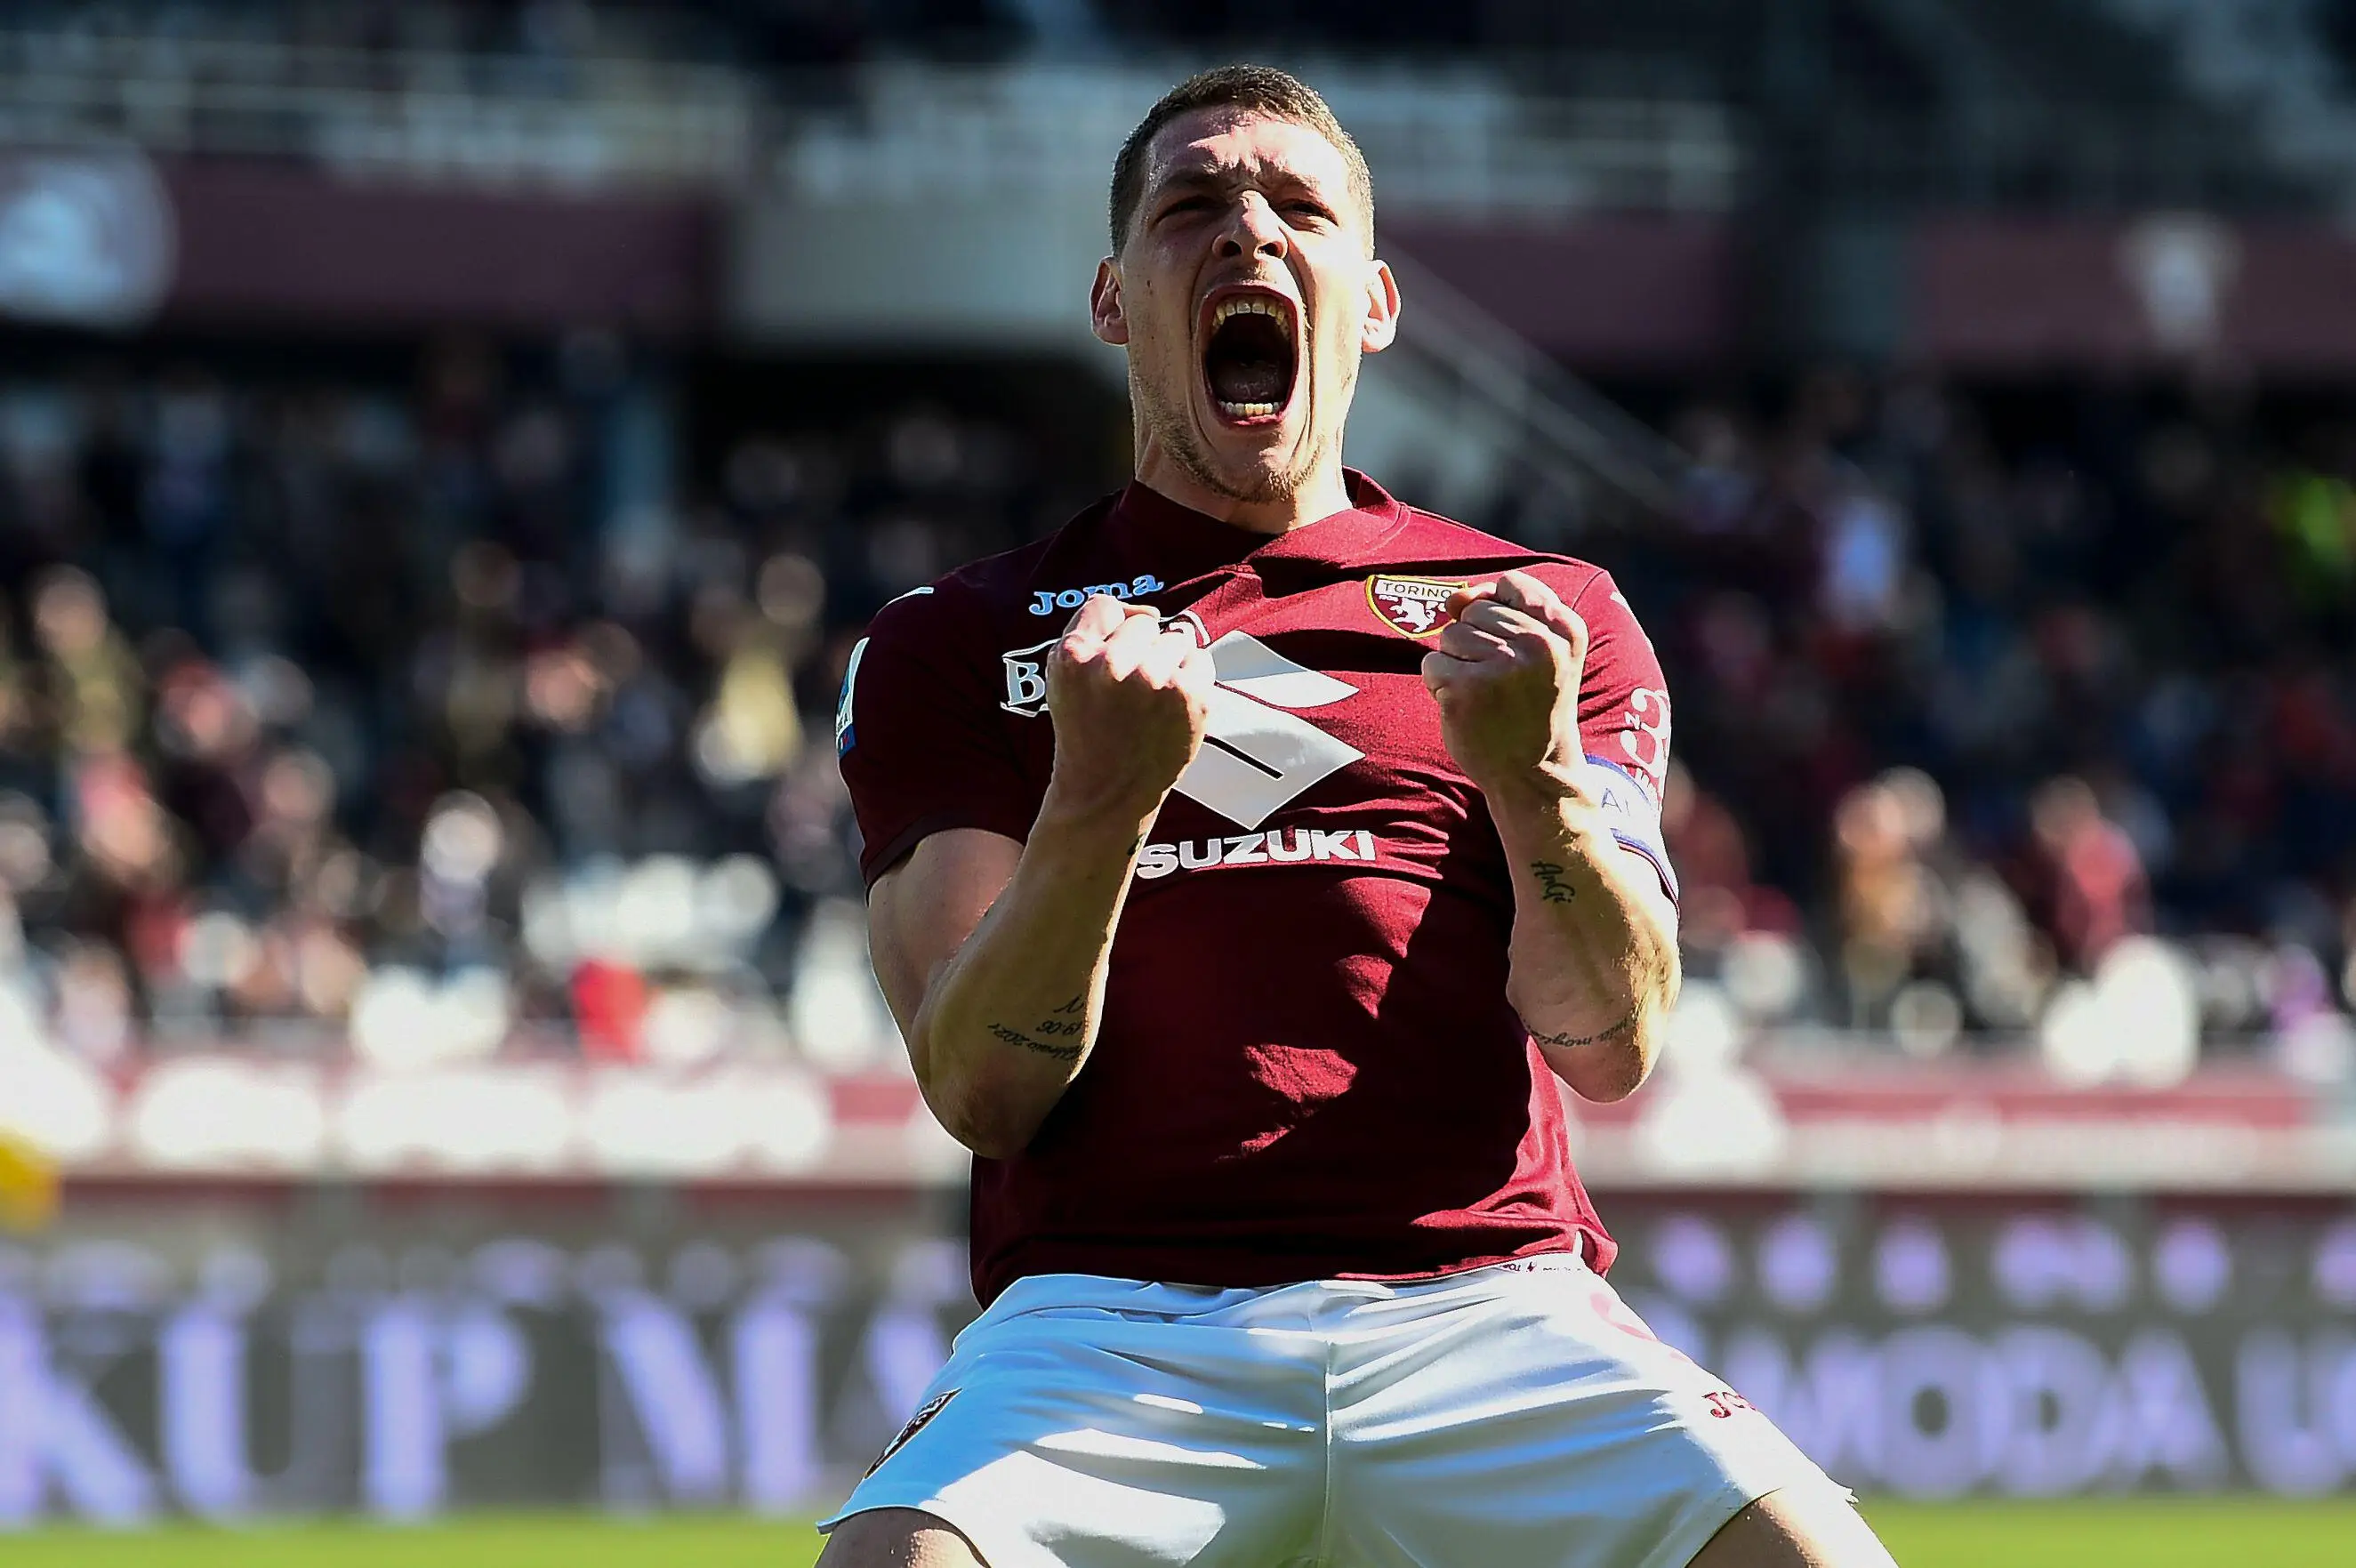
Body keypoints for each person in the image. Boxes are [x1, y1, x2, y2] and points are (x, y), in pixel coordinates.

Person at [820, 64, 1897, 1568]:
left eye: (1297, 207)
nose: (1248, 231)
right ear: (1115, 300)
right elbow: (982, 1089)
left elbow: (1612, 1043)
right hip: (1109, 1325)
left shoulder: (1544, 616)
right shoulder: (960, 638)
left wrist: (1528, 778)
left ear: (1375, 301)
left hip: (1489, 1305)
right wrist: (1100, 803)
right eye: (1191, 206)